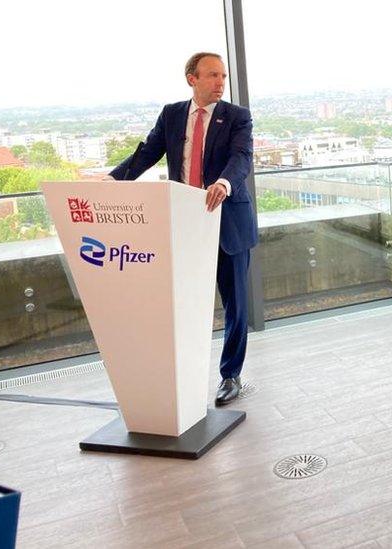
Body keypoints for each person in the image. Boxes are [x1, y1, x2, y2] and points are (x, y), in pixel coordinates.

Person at [108, 52, 257, 406]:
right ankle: (181, 374)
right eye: (212, 76)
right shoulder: (172, 115)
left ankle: (230, 375)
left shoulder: (237, 117)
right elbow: (146, 153)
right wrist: (113, 181)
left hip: (228, 222)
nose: (221, 82)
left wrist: (223, 182)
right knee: (184, 303)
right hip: (186, 223)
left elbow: (242, 158)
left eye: (223, 76)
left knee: (235, 303)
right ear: (192, 78)